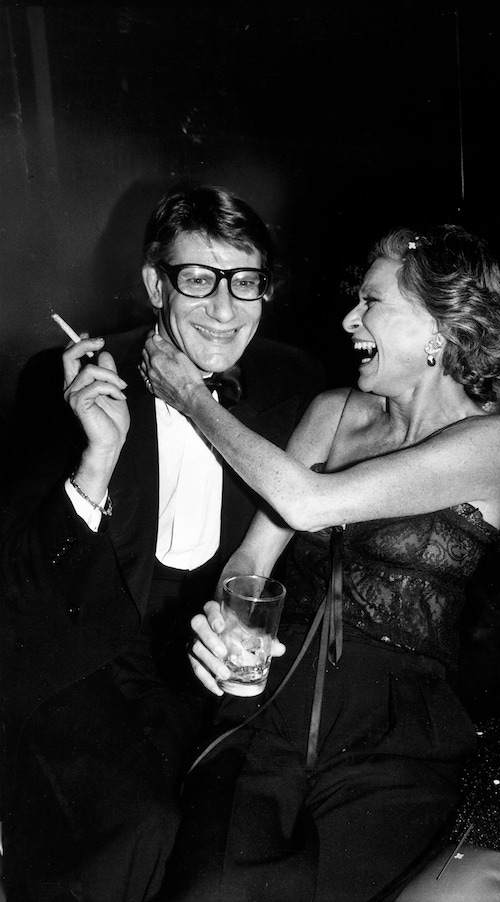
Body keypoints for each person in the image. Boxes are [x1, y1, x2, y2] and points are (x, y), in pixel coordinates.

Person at [140, 223, 500, 902]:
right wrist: (232, 626)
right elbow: (251, 561)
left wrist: (191, 398)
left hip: (393, 747)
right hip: (267, 716)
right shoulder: (331, 412)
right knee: (214, 888)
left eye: (372, 302)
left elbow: (308, 502)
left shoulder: (490, 441)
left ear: (439, 328)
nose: (350, 319)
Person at [0, 184, 324, 902]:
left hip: (223, 682)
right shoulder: (76, 379)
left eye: (246, 282)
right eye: (197, 279)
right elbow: (21, 585)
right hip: (93, 668)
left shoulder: (299, 384)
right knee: (143, 831)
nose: (223, 308)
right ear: (154, 283)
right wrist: (96, 458)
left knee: (249, 858)